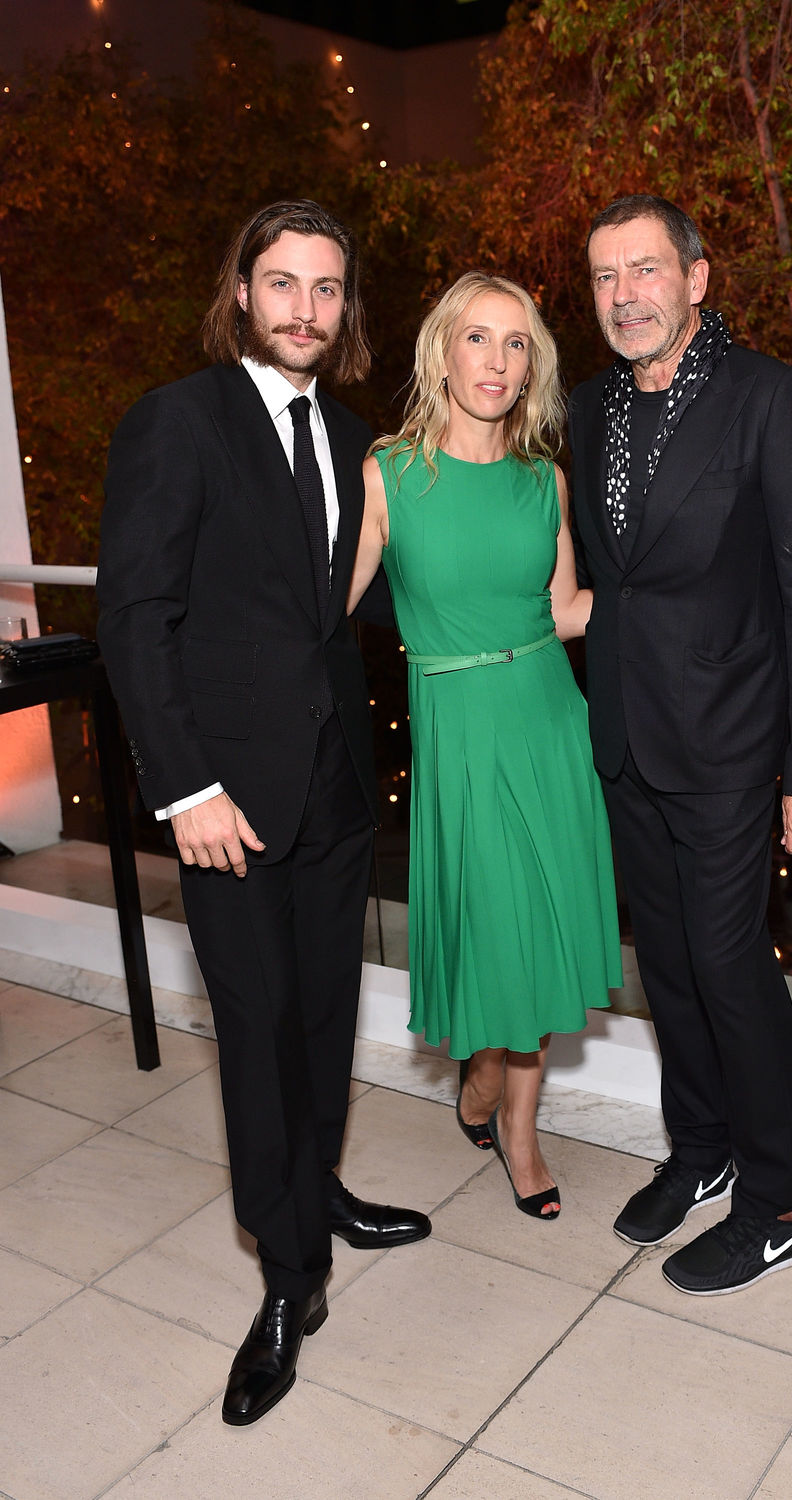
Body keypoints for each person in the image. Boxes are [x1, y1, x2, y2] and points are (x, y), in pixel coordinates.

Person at [97, 199, 430, 1426]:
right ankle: (291, 1280)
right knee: (254, 1031)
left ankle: (317, 1185)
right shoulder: (176, 424)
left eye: (327, 288)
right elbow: (136, 619)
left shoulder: (355, 438)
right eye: (281, 282)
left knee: (322, 1018)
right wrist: (182, 785)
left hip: (335, 788)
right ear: (241, 290)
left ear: (347, 308)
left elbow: (351, 607)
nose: (304, 307)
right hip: (223, 803)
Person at [570, 194, 792, 1294]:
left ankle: (781, 1203)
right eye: (604, 276)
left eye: (644, 270)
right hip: (627, 738)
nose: (624, 294)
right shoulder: (591, 408)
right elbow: (609, 579)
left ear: (697, 277)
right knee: (669, 968)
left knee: (732, 972)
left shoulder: (770, 400)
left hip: (733, 746)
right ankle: (701, 1152)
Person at [348, 272, 622, 1219]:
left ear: (533, 362)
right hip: (461, 731)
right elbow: (322, 609)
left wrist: (670, 587)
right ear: (442, 352)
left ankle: (516, 1130)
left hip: (550, 720)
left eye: (515, 343)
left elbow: (564, 611)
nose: (496, 361)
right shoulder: (390, 474)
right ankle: (479, 1090)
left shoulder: (544, 481)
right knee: (498, 925)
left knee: (542, 934)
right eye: (477, 338)